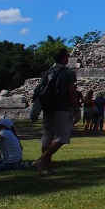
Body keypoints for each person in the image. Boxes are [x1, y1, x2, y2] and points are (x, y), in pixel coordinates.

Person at [32, 47, 79, 176]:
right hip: (61, 108)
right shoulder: (68, 72)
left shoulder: (47, 72)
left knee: (47, 136)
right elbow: (72, 92)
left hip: (47, 107)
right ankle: (40, 161)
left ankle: (47, 168)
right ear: (65, 58)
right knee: (62, 136)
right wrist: (76, 108)